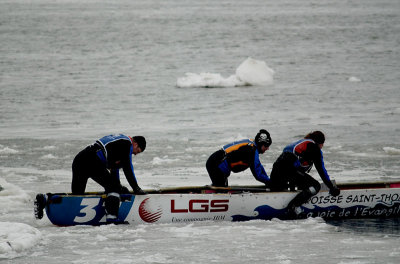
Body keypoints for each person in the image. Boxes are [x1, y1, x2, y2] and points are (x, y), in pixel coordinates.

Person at [71, 134, 146, 222]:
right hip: (92, 161)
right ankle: (112, 217)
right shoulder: (127, 144)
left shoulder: (119, 141)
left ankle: (71, 214)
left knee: (77, 194)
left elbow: (114, 168)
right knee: (114, 187)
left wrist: (118, 186)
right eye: (138, 151)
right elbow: (128, 168)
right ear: (136, 144)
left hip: (80, 159)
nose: (135, 153)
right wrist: (136, 188)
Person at [269, 131, 340, 216]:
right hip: (287, 171)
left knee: (297, 179)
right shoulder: (314, 148)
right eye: (322, 143)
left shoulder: (300, 143)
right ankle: (294, 206)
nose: (322, 146)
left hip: (276, 173)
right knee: (316, 186)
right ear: (320, 142)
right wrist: (331, 187)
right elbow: (321, 171)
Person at [206, 129, 272, 187]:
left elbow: (259, 167)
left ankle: (214, 189)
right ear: (261, 144)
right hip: (216, 164)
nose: (267, 148)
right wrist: (270, 183)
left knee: (221, 188)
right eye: (266, 146)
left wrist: (268, 180)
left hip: (216, 161)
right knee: (221, 190)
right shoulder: (252, 151)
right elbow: (258, 175)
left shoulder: (252, 146)